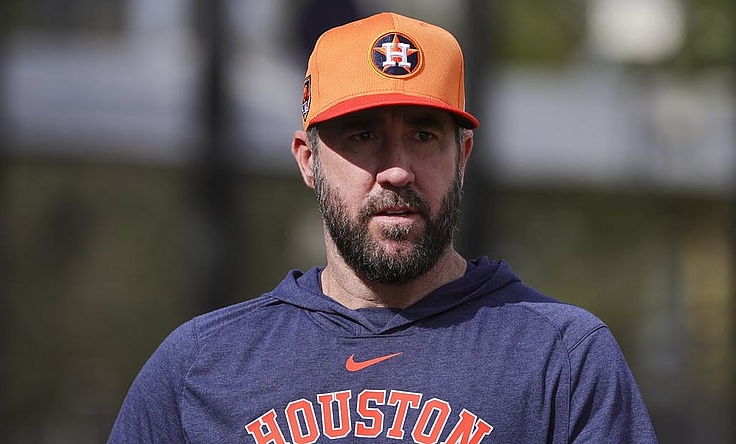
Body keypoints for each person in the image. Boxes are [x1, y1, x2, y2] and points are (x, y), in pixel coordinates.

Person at [108, 12, 658, 443]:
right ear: (308, 161)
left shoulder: (562, 359)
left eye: (423, 136)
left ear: (463, 157)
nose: (397, 170)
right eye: (363, 136)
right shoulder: (201, 366)